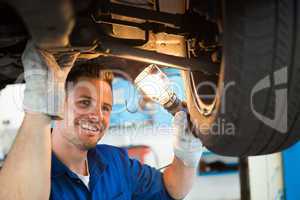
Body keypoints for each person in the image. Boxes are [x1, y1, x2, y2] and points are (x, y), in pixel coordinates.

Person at [0, 41, 203, 200]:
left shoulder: (114, 162)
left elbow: (172, 190)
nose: (97, 115)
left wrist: (187, 153)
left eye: (105, 108)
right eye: (84, 102)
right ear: (58, 102)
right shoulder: (22, 169)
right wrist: (40, 101)